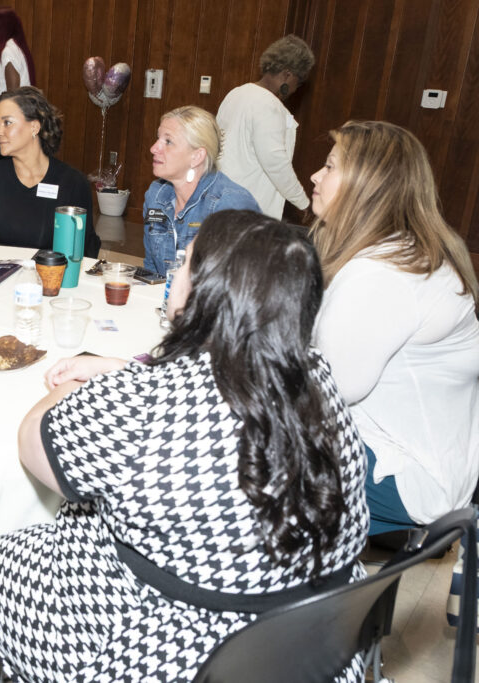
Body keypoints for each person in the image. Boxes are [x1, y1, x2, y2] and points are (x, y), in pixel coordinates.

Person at [0, 210, 369, 682]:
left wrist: (75, 390)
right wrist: (129, 373)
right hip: (314, 641)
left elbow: (35, 440)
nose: (175, 273)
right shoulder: (318, 378)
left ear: (207, 292)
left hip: (173, 650)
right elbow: (221, 400)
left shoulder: (150, 402)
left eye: (185, 266)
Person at [309, 120, 479, 535]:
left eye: (330, 166)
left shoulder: (381, 273)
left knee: (230, 447)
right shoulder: (410, 251)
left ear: (367, 184)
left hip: (407, 478)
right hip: (441, 464)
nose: (315, 175)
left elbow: (327, 388)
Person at [0, 86, 100, 258]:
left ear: (34, 127)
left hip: (54, 280)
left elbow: (82, 251)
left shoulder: (73, 183)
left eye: (7, 123)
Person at [143, 105, 259, 276]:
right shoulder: (156, 195)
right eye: (158, 138)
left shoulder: (230, 204)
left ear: (197, 156)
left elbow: (241, 284)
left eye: (168, 141)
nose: (154, 148)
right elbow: (151, 270)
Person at [217, 35, 316, 219]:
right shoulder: (268, 104)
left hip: (222, 198)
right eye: (299, 81)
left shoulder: (236, 93)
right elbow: (275, 162)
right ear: (288, 75)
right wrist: (303, 203)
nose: (296, 88)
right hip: (249, 206)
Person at [0, 7, 36, 165]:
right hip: (13, 121)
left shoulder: (8, 51)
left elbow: (13, 96)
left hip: (12, 123)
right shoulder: (13, 48)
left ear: (2, 27)